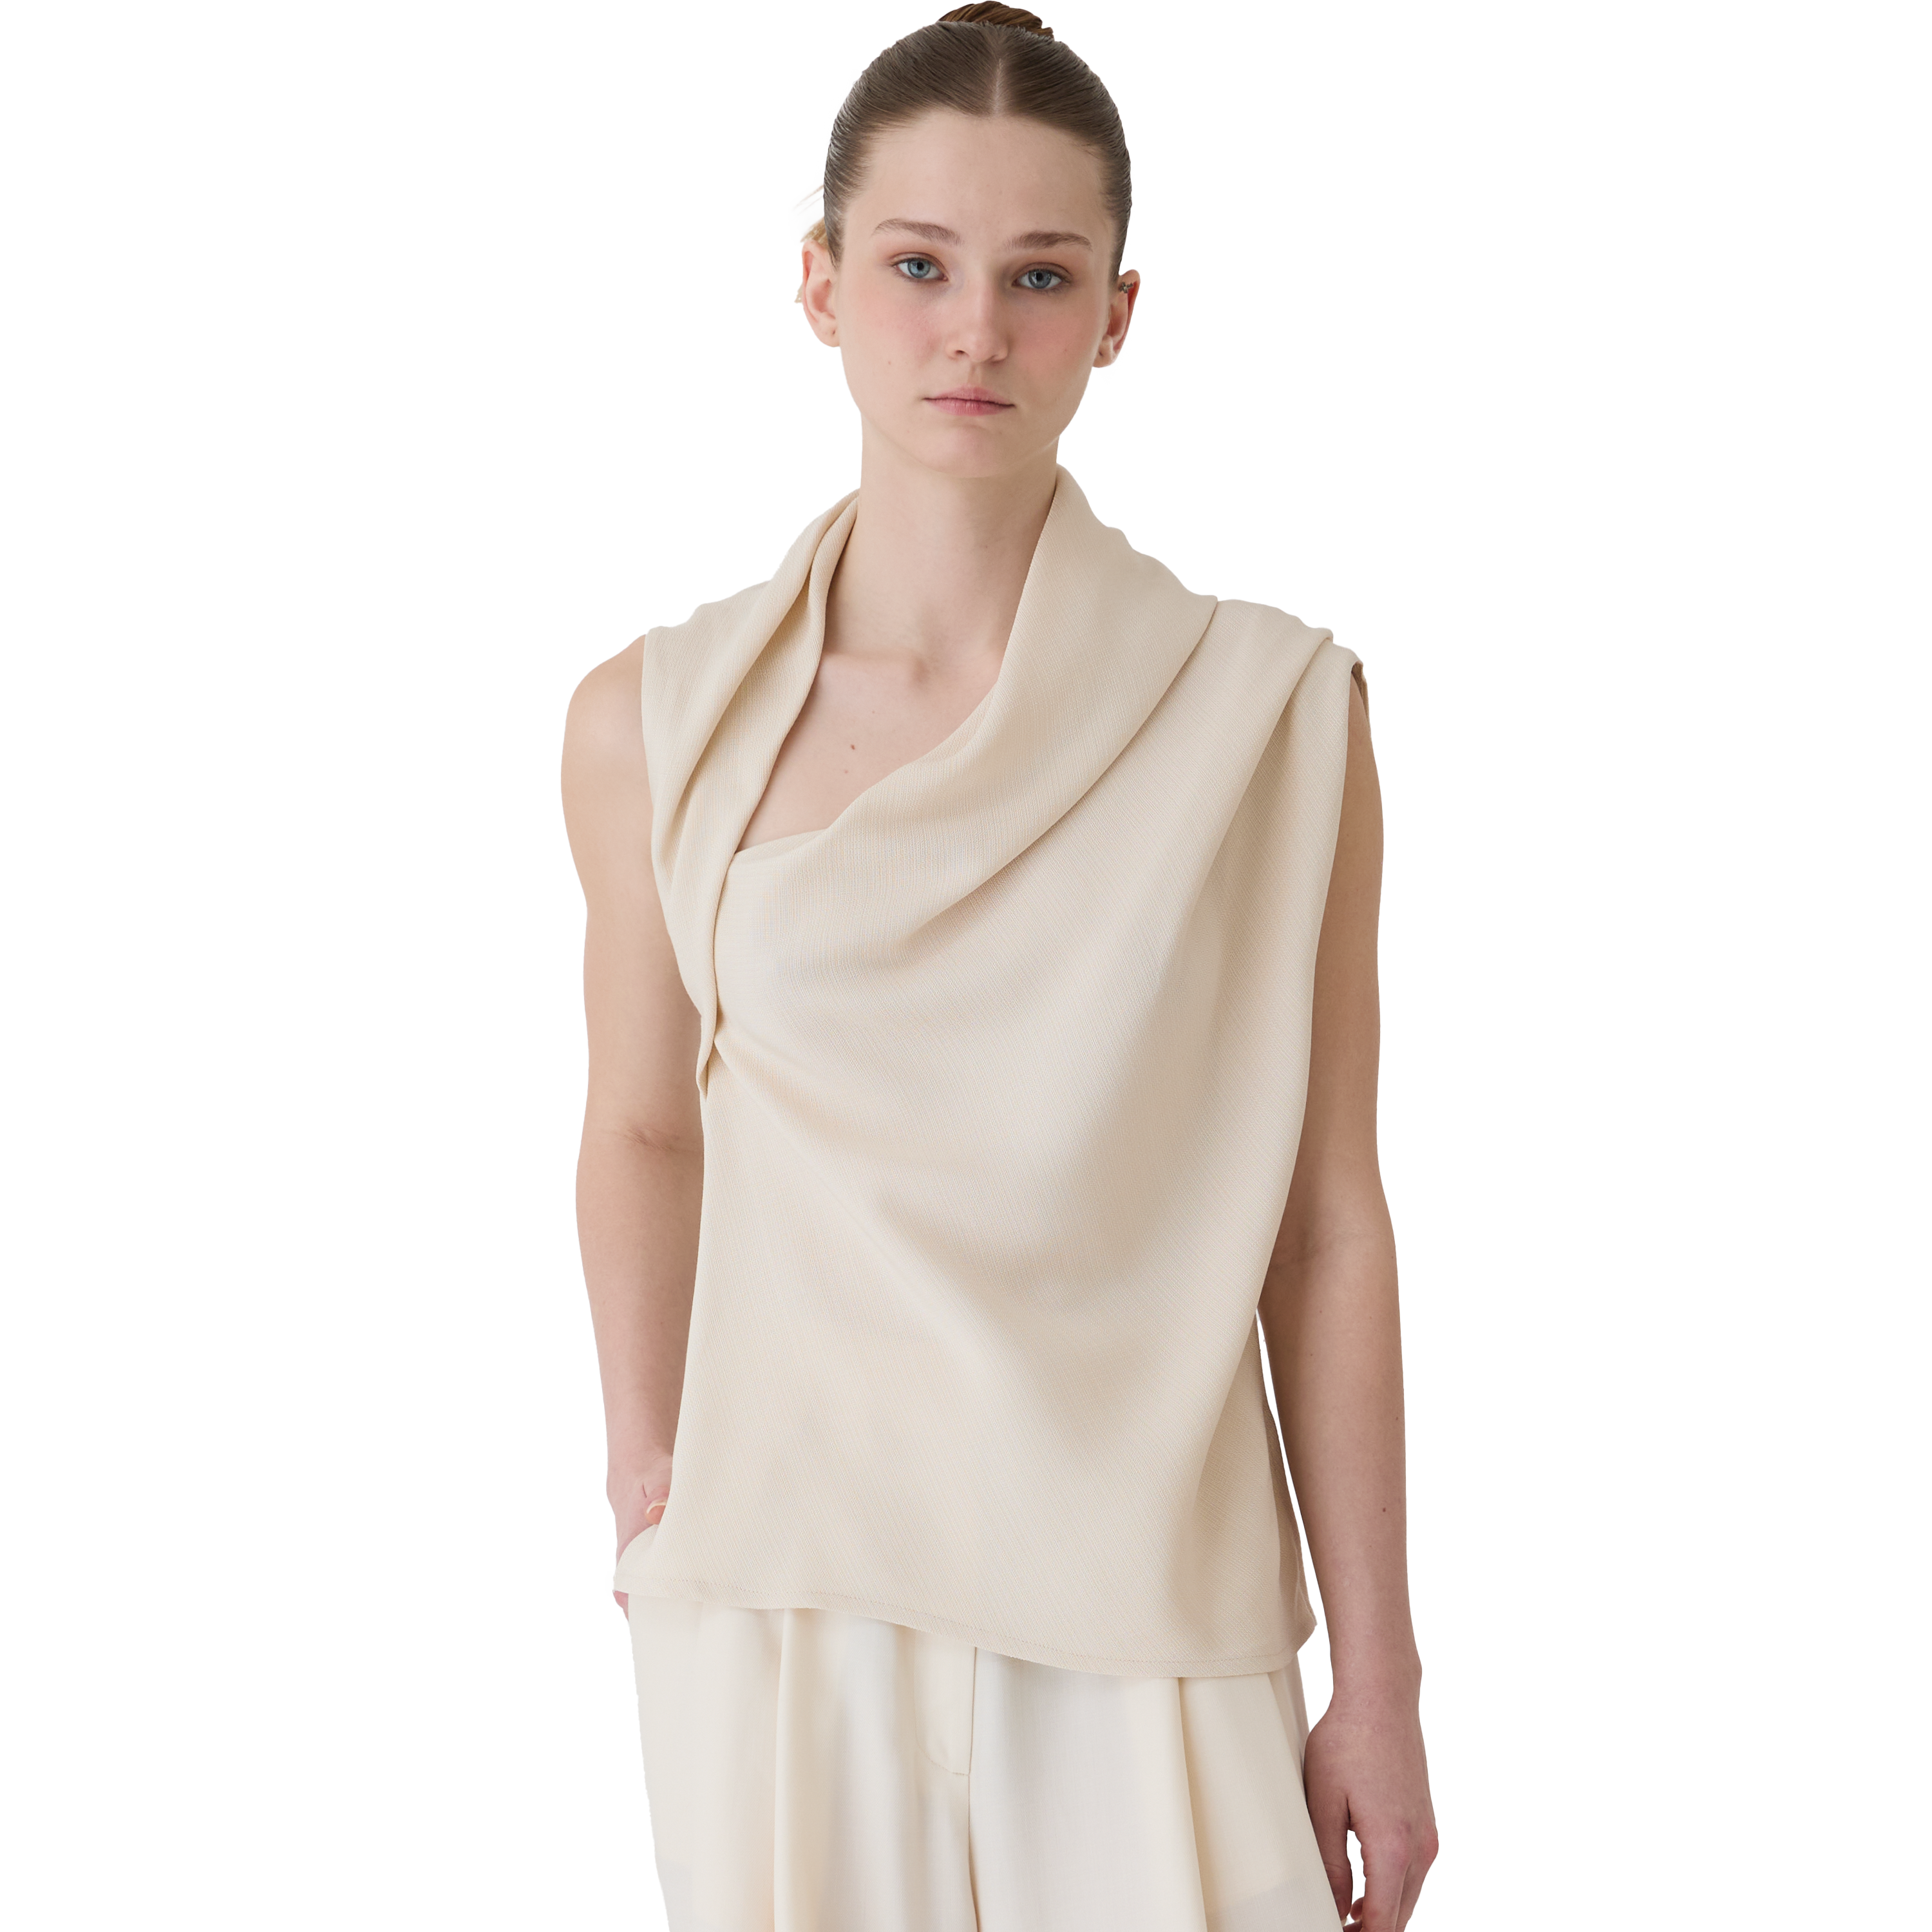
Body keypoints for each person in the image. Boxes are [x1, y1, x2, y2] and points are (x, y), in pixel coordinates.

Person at [562, 8, 1437, 1928]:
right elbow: (641, 1126)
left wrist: (1377, 1684)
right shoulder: (657, 721)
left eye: (1041, 277)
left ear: (1115, 316)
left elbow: (1325, 1222)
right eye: (919, 265)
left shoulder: (1277, 715)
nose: (976, 329)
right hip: (793, 1608)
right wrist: (645, 1463)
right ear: (819, 283)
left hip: (1147, 1610)